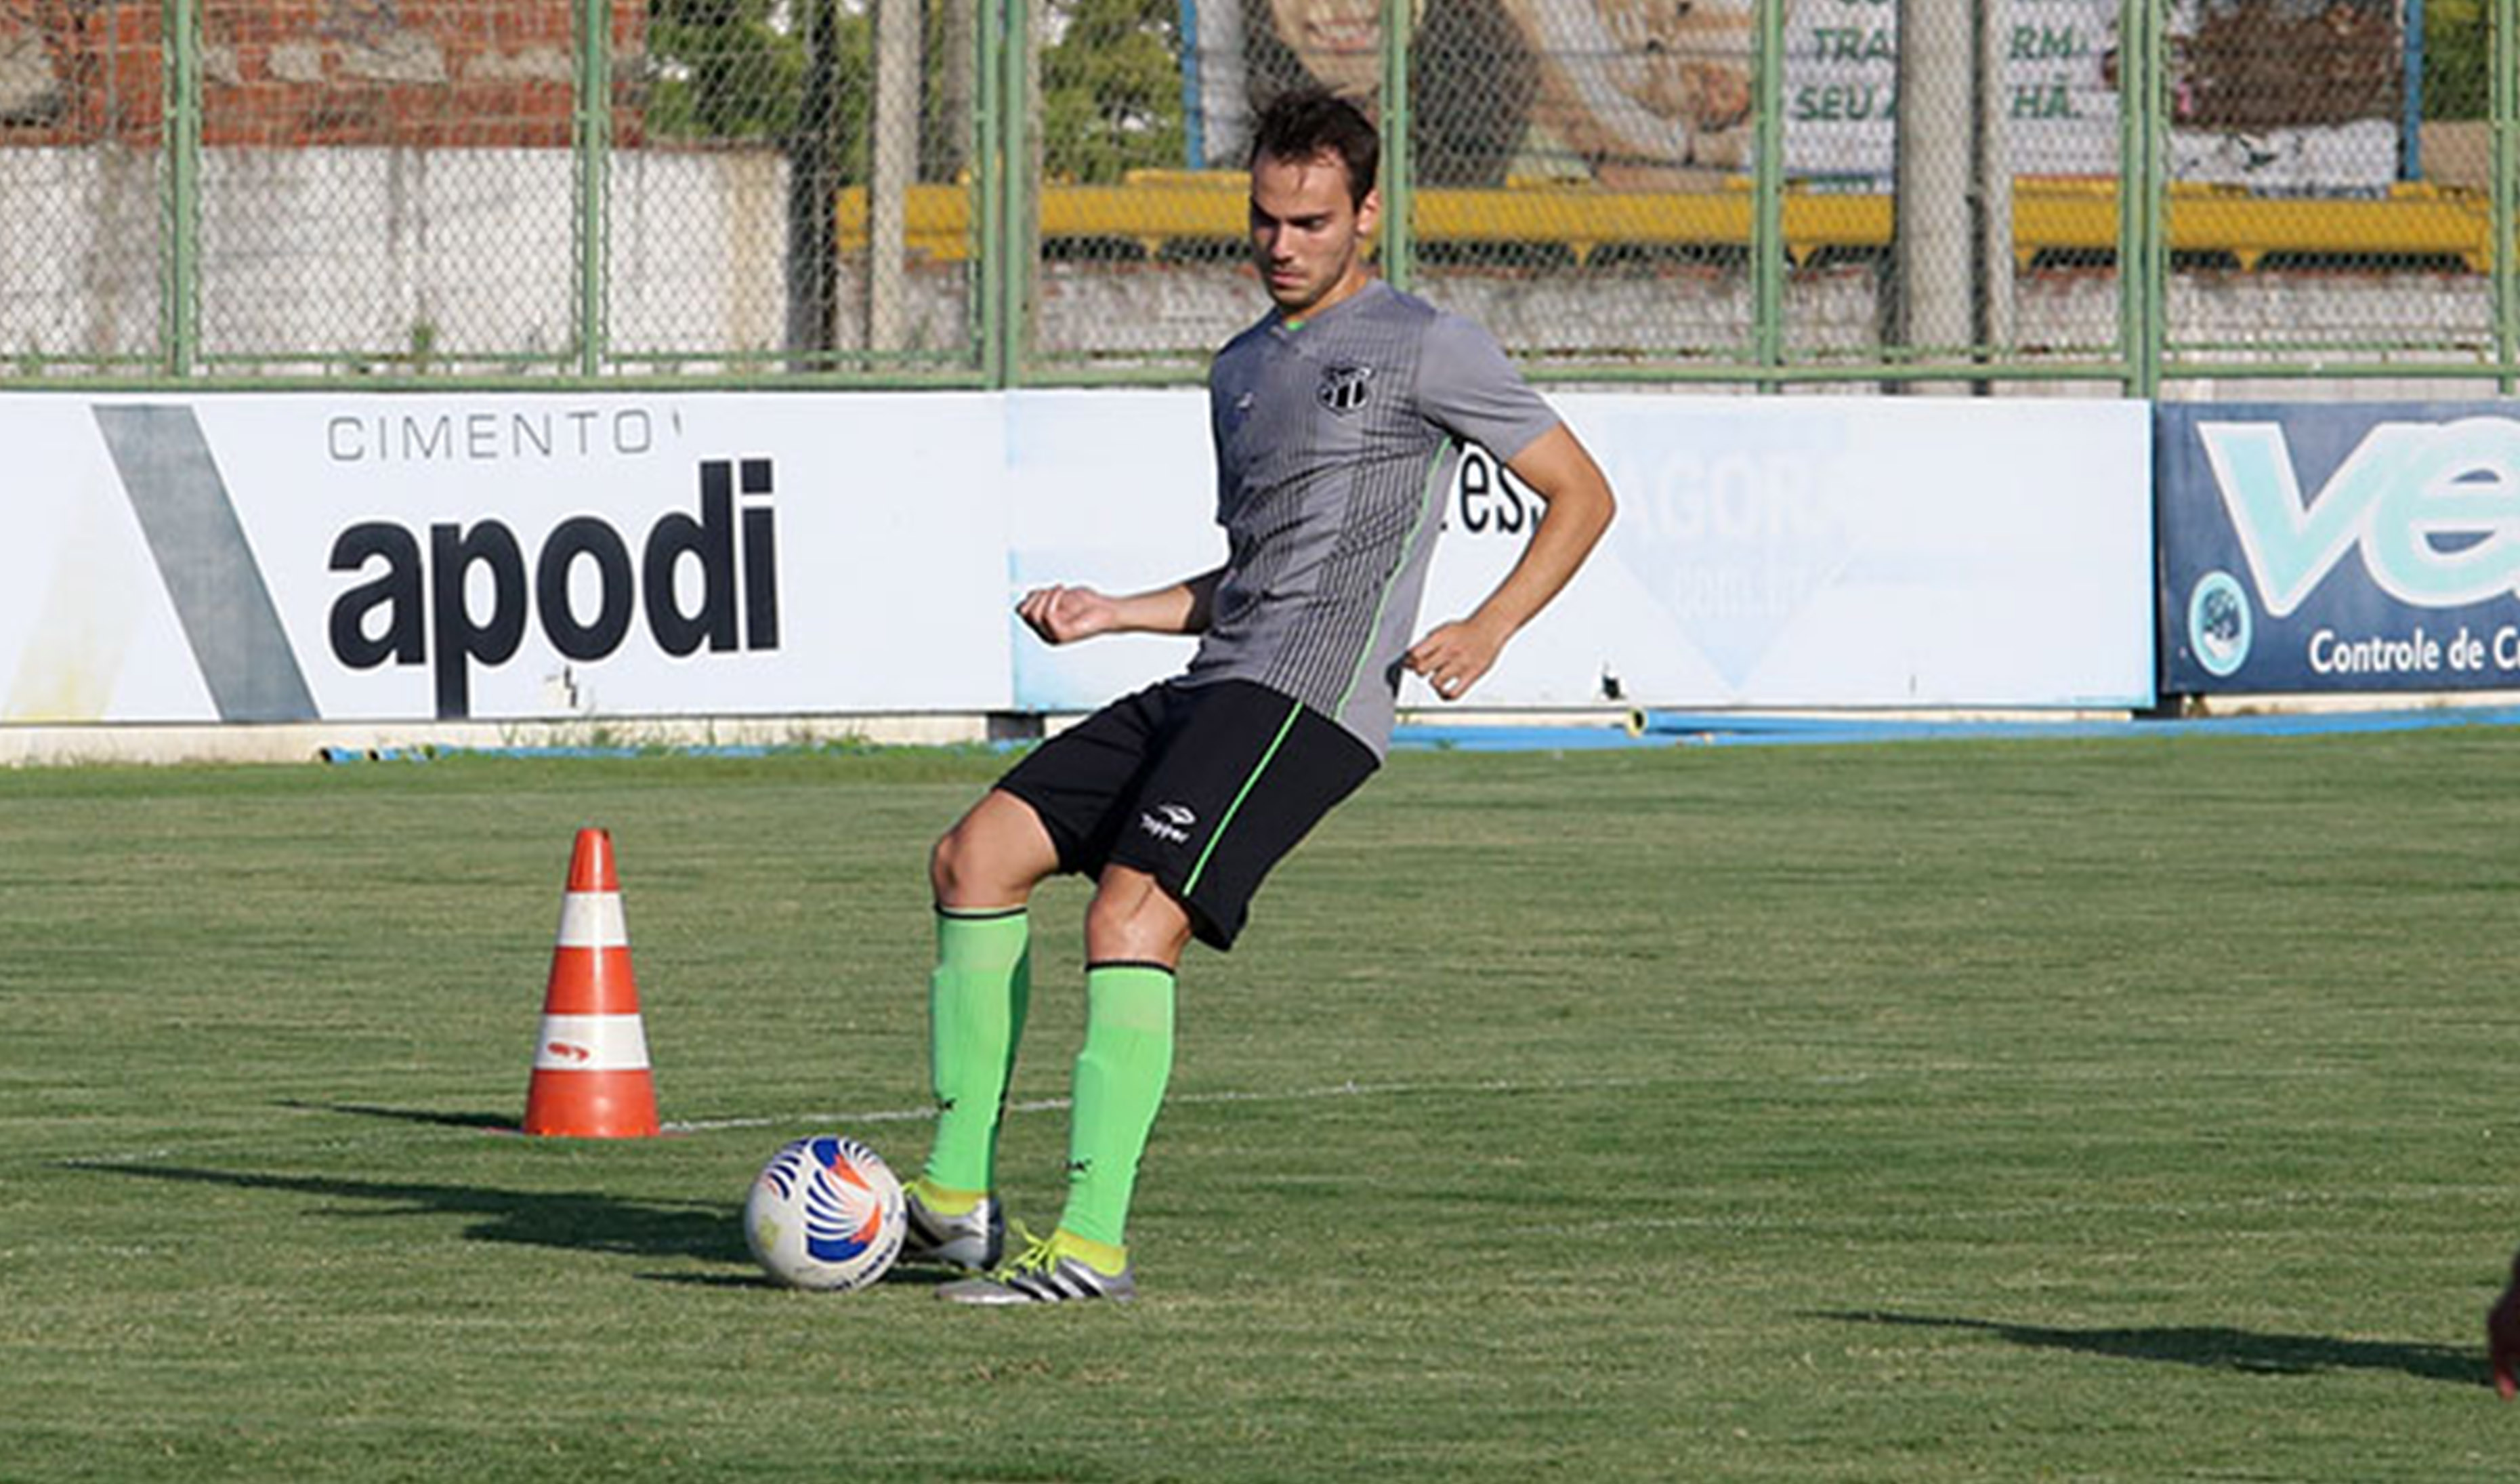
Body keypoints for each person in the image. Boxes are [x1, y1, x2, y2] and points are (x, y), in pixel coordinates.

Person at [900, 87, 1618, 1304]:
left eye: (1310, 221)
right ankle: (957, 1202)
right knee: (975, 856)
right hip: (1217, 677)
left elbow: (1582, 493)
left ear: (1368, 214)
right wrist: (1114, 610)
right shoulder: (1239, 367)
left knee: (1131, 918)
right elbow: (1258, 570)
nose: (1282, 245)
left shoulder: (1430, 345)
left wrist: (1490, 626)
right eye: (1264, 220)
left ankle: (1089, 1247)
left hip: (1313, 699)